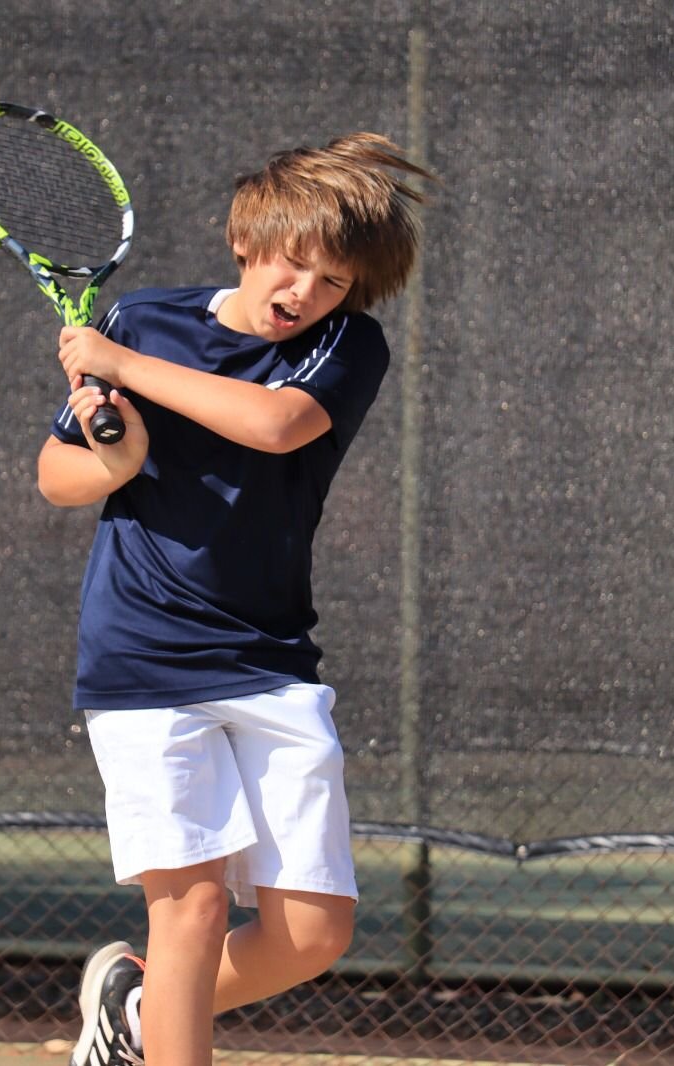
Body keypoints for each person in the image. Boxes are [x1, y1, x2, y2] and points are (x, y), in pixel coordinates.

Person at [39, 132, 432, 1066]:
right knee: (192, 907)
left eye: (333, 281)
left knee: (313, 933)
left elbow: (276, 424)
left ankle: (134, 1016)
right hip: (143, 659)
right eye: (293, 263)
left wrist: (120, 367)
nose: (305, 292)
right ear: (245, 240)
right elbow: (57, 474)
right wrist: (118, 461)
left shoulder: (346, 345)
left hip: (270, 662)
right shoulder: (144, 322)